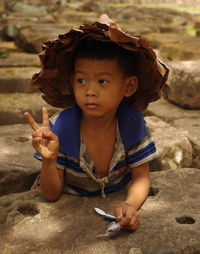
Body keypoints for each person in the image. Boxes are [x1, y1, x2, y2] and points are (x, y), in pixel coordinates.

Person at [25, 14, 168, 232]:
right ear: (72, 83)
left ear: (128, 87)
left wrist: (130, 205)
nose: (90, 91)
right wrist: (49, 160)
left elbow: (141, 178)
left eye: (102, 81)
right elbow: (51, 194)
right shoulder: (61, 129)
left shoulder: (132, 124)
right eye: (81, 81)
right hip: (69, 211)